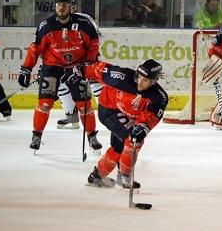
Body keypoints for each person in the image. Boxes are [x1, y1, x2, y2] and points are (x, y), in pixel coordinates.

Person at [62, 59, 168, 188]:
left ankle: (96, 177)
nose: (140, 82)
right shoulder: (122, 77)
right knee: (132, 140)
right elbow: (100, 70)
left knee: (119, 148)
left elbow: (151, 117)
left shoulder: (159, 96)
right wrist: (81, 71)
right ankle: (124, 177)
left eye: (145, 80)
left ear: (154, 81)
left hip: (126, 116)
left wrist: (143, 127)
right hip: (109, 110)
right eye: (139, 77)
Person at [18, 0, 102, 152]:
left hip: (77, 67)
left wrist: (87, 63)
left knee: (84, 105)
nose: (61, 7)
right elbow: (35, 49)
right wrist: (26, 69)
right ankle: (37, 135)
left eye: (64, 4)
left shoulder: (84, 23)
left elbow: (93, 44)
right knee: (44, 103)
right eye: (58, 4)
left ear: (71, 6)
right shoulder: (46, 25)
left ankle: (92, 137)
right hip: (52, 67)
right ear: (55, 6)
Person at [56, 0, 103, 129]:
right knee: (62, 84)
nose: (67, 8)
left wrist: (89, 58)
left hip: (86, 59)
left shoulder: (84, 19)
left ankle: (109, 112)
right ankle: (71, 115)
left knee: (95, 83)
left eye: (69, 5)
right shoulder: (55, 21)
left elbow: (95, 38)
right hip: (66, 61)